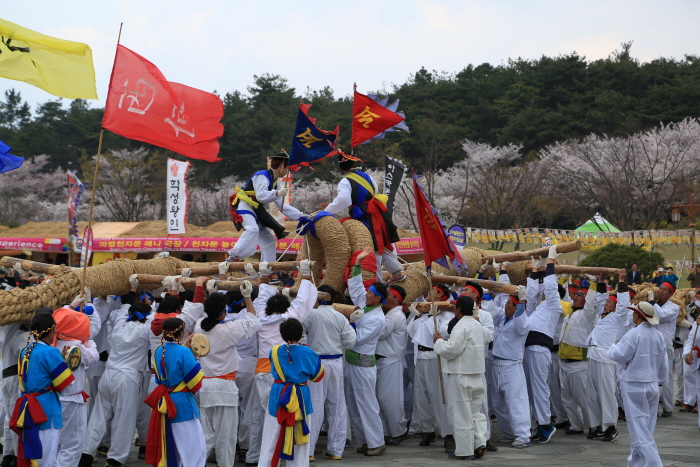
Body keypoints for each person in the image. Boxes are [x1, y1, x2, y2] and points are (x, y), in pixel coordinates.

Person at [245, 260, 316, 465]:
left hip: (264, 374)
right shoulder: (291, 317)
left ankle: (258, 457)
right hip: (289, 380)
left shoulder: (259, 318)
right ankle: (290, 458)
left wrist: (264, 279)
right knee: (290, 421)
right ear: (287, 307)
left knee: (265, 420)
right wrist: (305, 275)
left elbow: (259, 303)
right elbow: (303, 300)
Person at [80, 294, 153, 466]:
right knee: (124, 419)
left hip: (109, 374)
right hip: (128, 378)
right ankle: (115, 459)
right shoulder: (146, 329)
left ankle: (86, 454)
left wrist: (131, 290)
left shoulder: (119, 324)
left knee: (98, 416)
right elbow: (156, 320)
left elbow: (122, 310)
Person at [194, 282, 261, 467]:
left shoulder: (199, 325)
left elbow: (209, 313)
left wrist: (214, 290)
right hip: (224, 387)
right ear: (224, 312)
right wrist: (247, 296)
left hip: (205, 385)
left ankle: (194, 463)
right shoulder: (229, 329)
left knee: (206, 435)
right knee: (226, 436)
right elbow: (253, 321)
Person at [321, 152, 405, 283]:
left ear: (340, 168)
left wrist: (326, 211)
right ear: (354, 164)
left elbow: (344, 200)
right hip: (377, 211)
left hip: (363, 215)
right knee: (381, 243)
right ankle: (397, 272)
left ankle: (376, 282)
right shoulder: (367, 176)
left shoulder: (345, 181)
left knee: (371, 247)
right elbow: (374, 192)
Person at [607, 302, 668, 467]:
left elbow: (620, 355)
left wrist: (612, 347)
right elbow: (664, 366)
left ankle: (654, 463)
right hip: (652, 385)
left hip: (634, 385)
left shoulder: (634, 333)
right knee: (646, 428)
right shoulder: (658, 335)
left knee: (639, 430)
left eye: (634, 313)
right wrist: (660, 381)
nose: (632, 316)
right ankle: (637, 463)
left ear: (639, 316)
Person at [257, 318, 324, 467]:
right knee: (300, 439)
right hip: (300, 397)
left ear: (282, 334)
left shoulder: (274, 351)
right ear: (301, 334)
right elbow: (318, 376)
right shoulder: (308, 352)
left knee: (270, 437)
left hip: (278, 396)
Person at [11, 312, 75, 467]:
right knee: (46, 460)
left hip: (27, 410)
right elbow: (66, 387)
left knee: (34, 456)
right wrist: (66, 365)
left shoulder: (25, 351)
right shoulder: (50, 352)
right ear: (52, 331)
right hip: (45, 410)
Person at [304, 285, 357, 460]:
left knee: (315, 406)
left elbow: (301, 337)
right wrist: (353, 324)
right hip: (335, 363)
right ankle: (335, 450)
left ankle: (309, 451)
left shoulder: (310, 314)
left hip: (316, 363)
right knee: (337, 406)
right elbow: (350, 342)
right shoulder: (339, 317)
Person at [144, 318, 206, 467]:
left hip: (166, 402)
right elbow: (196, 384)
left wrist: (186, 349)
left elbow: (164, 374)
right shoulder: (184, 352)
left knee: (175, 448)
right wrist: (194, 356)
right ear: (181, 332)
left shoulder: (159, 350)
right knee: (194, 450)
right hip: (182, 404)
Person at [345, 248, 388, 457]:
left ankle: (377, 442)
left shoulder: (378, 318)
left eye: (370, 293)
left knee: (367, 403)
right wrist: (359, 263)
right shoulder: (365, 304)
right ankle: (364, 440)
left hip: (362, 363)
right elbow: (354, 288)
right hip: (351, 360)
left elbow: (359, 338)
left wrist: (351, 322)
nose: (366, 293)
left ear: (378, 299)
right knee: (353, 403)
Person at [433, 296, 487, 460]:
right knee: (475, 413)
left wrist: (439, 342)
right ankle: (479, 443)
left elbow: (452, 349)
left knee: (460, 414)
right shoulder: (477, 324)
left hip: (461, 375)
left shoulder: (461, 326)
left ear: (459, 310)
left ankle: (464, 451)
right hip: (476, 374)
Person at [228, 151, 305, 262]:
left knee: (269, 240)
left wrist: (301, 216)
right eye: (287, 168)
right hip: (244, 204)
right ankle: (232, 256)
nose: (288, 171)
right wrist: (277, 193)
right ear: (282, 166)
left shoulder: (275, 183)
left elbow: (282, 206)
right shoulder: (262, 175)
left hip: (256, 209)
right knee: (252, 229)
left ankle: (267, 271)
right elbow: (260, 196)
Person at [406, 284, 453, 451]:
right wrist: (418, 317)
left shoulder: (447, 314)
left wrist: (431, 318)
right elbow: (412, 333)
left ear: (440, 295)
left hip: (435, 357)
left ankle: (448, 433)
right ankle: (427, 430)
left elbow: (442, 333)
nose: (429, 292)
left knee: (439, 396)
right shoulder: (425, 314)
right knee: (421, 396)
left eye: (433, 290)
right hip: (420, 356)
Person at [523, 247, 563, 443]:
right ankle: (538, 423)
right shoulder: (538, 307)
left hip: (540, 349)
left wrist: (550, 261)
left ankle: (546, 423)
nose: (543, 294)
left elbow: (550, 287)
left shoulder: (554, 305)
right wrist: (534, 270)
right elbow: (531, 295)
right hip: (527, 348)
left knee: (539, 386)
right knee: (530, 388)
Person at [53, 304, 100, 467]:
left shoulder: (50, 343)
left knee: (55, 444)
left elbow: (62, 315)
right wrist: (89, 344)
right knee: (73, 445)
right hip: (72, 400)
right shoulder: (77, 344)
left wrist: (70, 306)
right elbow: (93, 358)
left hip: (53, 399)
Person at [585, 269, 629, 442]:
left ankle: (610, 426)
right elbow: (601, 299)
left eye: (610, 302)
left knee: (606, 393)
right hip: (593, 355)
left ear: (616, 305)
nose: (605, 304)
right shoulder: (601, 316)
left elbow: (624, 304)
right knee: (592, 394)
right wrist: (602, 281)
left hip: (605, 357)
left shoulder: (619, 317)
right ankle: (596, 425)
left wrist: (622, 281)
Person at [490, 284, 531, 448]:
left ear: (516, 308)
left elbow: (522, 324)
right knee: (498, 403)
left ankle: (523, 435)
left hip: (511, 366)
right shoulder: (502, 318)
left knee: (516, 402)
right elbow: (491, 308)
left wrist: (522, 300)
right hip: (496, 364)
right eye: (506, 303)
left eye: (509, 304)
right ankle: (509, 433)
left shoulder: (521, 321)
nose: (506, 305)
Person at [558, 274, 598, 439]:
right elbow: (559, 297)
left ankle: (593, 425)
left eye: (581, 296)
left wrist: (593, 283)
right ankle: (576, 425)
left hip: (578, 363)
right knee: (567, 397)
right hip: (564, 361)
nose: (576, 297)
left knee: (583, 398)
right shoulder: (569, 311)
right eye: (576, 295)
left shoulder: (588, 315)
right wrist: (561, 280)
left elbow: (591, 303)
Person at [376, 284, 409, 446]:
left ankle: (399, 431)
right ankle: (388, 431)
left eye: (387, 294)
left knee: (390, 398)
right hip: (384, 360)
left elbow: (381, 333)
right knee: (382, 398)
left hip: (391, 360)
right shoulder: (390, 313)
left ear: (396, 299)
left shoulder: (396, 315)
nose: (384, 296)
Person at [653, 281, 680, 417]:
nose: (661, 291)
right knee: (652, 375)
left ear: (671, 293)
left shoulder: (674, 307)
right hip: (652, 343)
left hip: (665, 343)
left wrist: (652, 304)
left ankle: (668, 407)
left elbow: (661, 316)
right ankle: (654, 404)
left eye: (664, 289)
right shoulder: (655, 304)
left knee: (667, 376)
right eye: (660, 288)